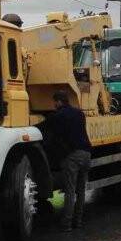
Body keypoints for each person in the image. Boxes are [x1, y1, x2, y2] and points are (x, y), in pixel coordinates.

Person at [39, 90, 93, 231]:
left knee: (70, 191)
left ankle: (66, 224)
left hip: (73, 157)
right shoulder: (79, 114)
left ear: (58, 102)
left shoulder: (58, 116)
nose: (54, 105)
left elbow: (42, 127)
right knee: (81, 191)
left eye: (54, 102)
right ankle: (78, 221)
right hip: (86, 154)